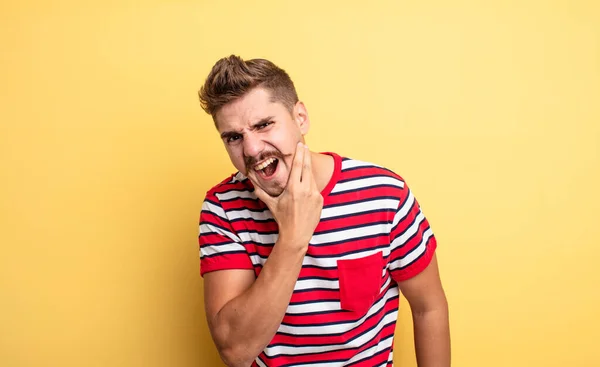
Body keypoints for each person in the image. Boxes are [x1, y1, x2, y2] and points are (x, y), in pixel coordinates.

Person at [197, 55, 450, 367]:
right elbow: (235, 350)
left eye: (264, 125)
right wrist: (293, 237)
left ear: (300, 117)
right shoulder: (222, 208)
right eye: (234, 137)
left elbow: (429, 308)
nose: (251, 149)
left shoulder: (384, 194)